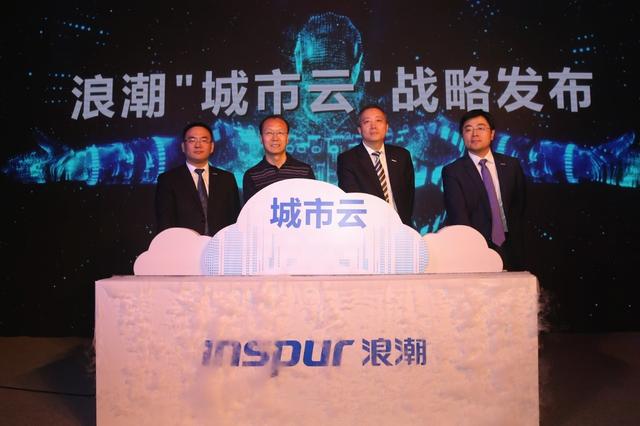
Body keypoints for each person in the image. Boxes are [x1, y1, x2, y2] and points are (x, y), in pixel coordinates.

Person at [442, 110, 526, 270]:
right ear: (462, 135)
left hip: (512, 245)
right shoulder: (453, 171)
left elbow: (520, 206)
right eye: (468, 129)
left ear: (492, 134)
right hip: (477, 248)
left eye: (480, 128)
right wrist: (472, 248)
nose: (474, 134)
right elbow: (458, 215)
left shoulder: (511, 165)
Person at [155, 122, 240, 236]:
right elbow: (165, 222)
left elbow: (234, 219)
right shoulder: (168, 180)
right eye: (192, 140)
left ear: (212, 147)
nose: (198, 145)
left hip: (220, 244)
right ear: (183, 147)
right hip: (183, 244)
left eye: (204, 140)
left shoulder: (227, 179)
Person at [337, 105, 415, 226]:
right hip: (368, 226)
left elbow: (409, 195)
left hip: (401, 225)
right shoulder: (348, 159)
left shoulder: (402, 155)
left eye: (378, 120)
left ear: (386, 127)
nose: (373, 126)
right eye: (367, 122)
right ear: (359, 130)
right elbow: (352, 197)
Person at [242, 115, 315, 203]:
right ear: (261, 138)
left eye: (280, 133)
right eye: (269, 133)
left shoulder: (304, 171)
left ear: (287, 138)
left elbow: (311, 204)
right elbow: (250, 209)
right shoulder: (252, 175)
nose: (275, 138)